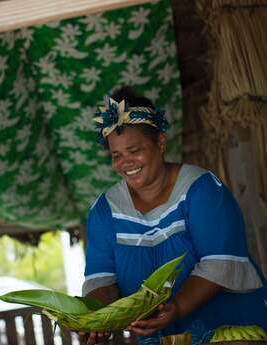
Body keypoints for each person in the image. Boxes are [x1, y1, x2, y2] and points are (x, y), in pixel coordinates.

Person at [80, 87, 267, 345]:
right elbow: (101, 281)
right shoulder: (104, 210)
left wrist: (176, 307)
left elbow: (219, 264)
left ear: (160, 142)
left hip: (228, 332)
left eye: (134, 150)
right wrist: (98, 318)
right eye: (116, 155)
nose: (126, 162)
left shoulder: (201, 189)